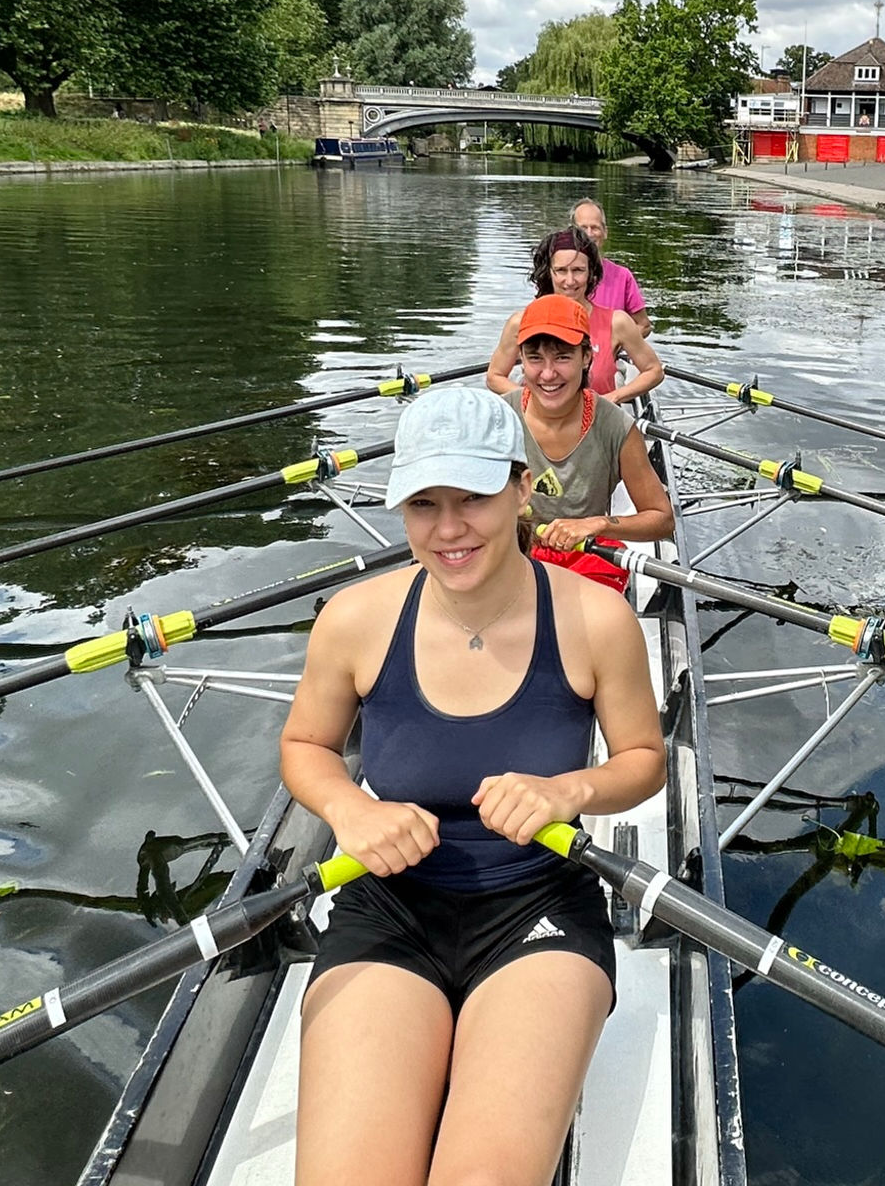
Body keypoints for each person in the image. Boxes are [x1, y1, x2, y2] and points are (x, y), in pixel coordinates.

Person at [280, 385, 665, 1186]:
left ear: (523, 487)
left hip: (540, 909)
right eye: (424, 504)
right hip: (388, 907)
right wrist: (348, 807)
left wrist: (570, 793)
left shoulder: (598, 620)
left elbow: (641, 761)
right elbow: (306, 745)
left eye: (474, 498)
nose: (448, 530)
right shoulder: (355, 619)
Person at [505, 293, 674, 586]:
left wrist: (598, 524)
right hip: (513, 553)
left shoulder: (615, 426)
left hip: (583, 556)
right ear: (520, 359)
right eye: (535, 358)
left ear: (586, 358)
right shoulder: (498, 418)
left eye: (562, 357)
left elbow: (661, 519)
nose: (547, 374)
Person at [487, 227, 663, 401]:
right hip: (540, 423)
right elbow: (494, 376)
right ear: (549, 272)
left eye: (578, 270)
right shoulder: (521, 322)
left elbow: (654, 371)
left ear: (590, 273)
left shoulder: (617, 322)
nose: (570, 281)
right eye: (561, 270)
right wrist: (531, 400)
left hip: (597, 422)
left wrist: (613, 398)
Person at [570, 198, 650, 334]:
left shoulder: (622, 276)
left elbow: (643, 325)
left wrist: (615, 342)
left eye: (595, 227)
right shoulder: (560, 276)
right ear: (571, 232)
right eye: (583, 228)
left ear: (605, 232)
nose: (589, 234)